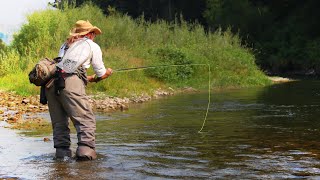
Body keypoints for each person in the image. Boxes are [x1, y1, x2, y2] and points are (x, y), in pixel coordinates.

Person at [45, 20, 113, 160]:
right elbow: (100, 73)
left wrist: (89, 78)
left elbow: (65, 69)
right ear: (89, 33)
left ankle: (62, 157)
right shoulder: (91, 45)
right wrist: (106, 74)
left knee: (59, 122)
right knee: (85, 120)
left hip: (50, 84)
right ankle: (85, 158)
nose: (94, 36)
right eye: (94, 33)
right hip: (69, 82)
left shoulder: (65, 45)